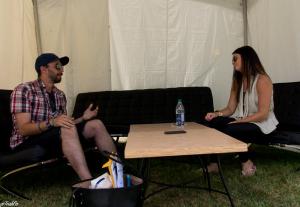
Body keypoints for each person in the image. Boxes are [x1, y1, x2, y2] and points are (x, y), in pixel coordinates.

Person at [10, 53, 117, 183]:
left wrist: (83, 118)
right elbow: (23, 129)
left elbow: (63, 123)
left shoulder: (59, 95)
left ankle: (118, 171)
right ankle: (88, 182)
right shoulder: (24, 90)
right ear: (43, 69)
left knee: (96, 124)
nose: (62, 70)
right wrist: (52, 122)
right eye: (57, 66)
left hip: (52, 137)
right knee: (66, 128)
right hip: (26, 142)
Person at [204, 46, 278, 176]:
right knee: (214, 123)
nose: (232, 62)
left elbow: (263, 114)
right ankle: (214, 164)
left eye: (235, 59)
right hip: (244, 119)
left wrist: (239, 122)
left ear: (246, 59)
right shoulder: (237, 81)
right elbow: (230, 109)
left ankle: (246, 161)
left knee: (230, 129)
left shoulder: (262, 80)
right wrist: (216, 114)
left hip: (262, 124)